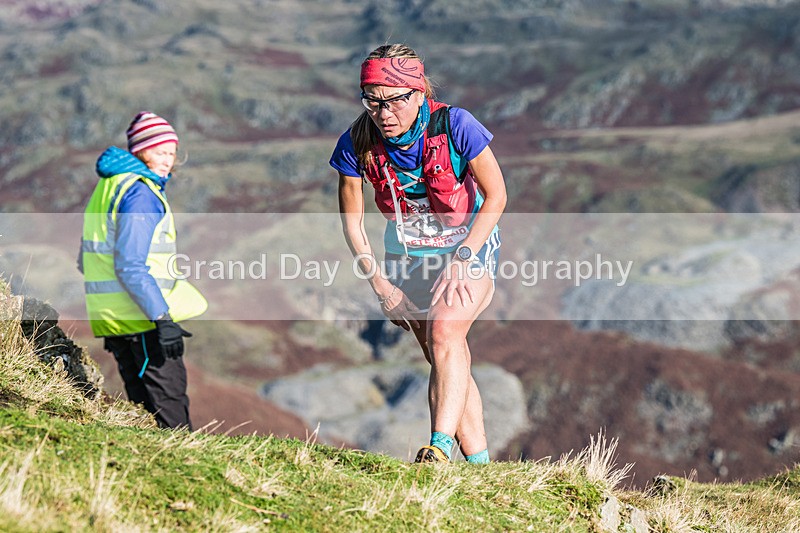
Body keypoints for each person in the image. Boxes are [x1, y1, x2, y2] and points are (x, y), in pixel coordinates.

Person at [331, 44, 507, 463]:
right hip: (407, 257)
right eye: (372, 102)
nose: (383, 113)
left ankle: (439, 450)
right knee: (445, 355)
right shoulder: (355, 142)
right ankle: (480, 465)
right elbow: (352, 224)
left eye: (393, 101)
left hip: (469, 245)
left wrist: (464, 257)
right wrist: (381, 287)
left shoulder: (457, 125)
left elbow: (497, 195)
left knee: (445, 332)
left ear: (418, 93)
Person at [80, 111, 207, 430]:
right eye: (159, 151)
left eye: (172, 152)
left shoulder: (110, 186)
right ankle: (185, 474)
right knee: (170, 411)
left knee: (143, 413)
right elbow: (129, 264)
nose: (167, 160)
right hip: (144, 320)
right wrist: (162, 319)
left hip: (116, 319)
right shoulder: (140, 193)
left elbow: (87, 258)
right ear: (139, 149)